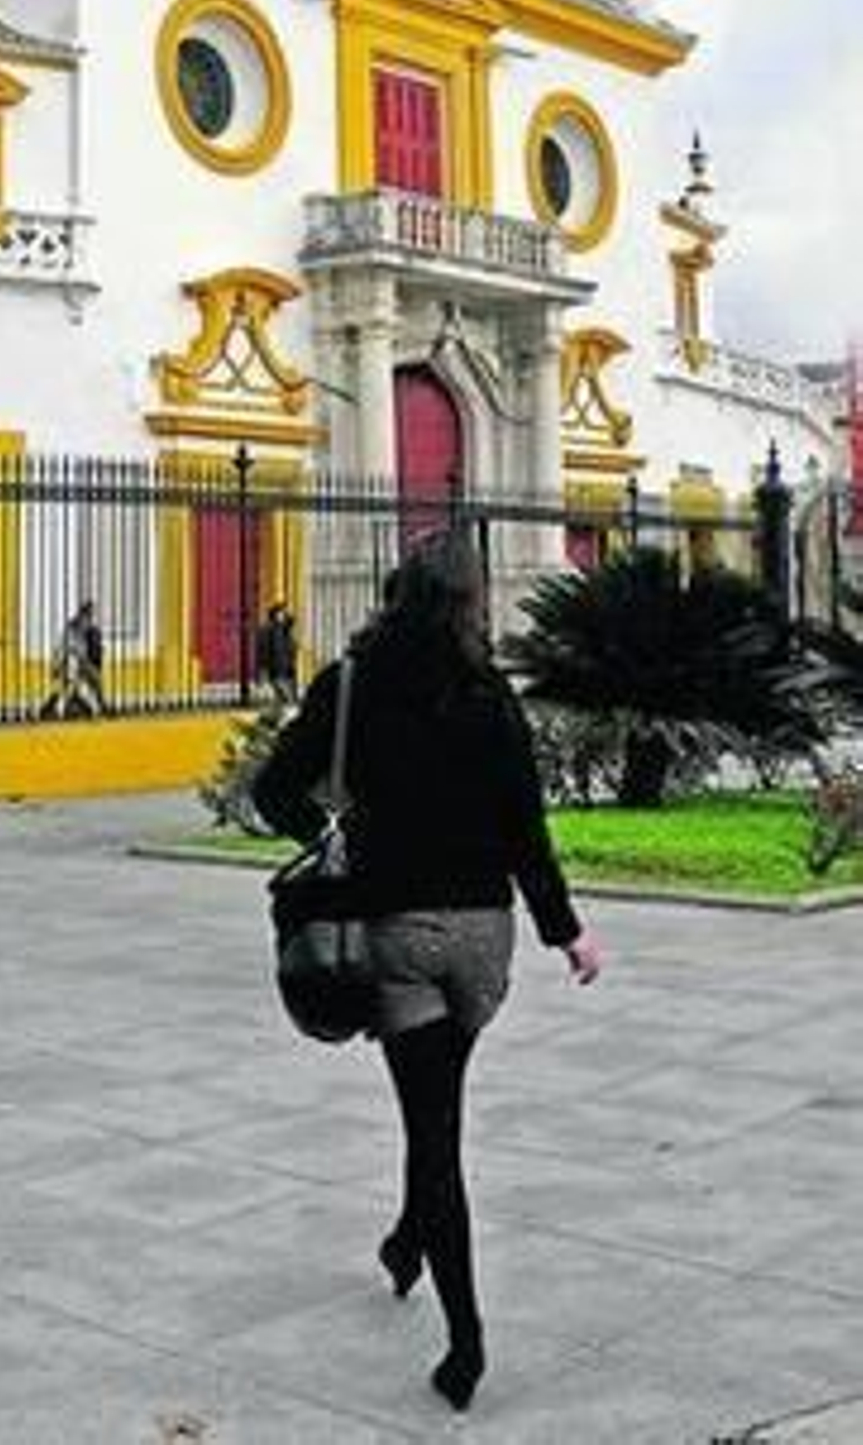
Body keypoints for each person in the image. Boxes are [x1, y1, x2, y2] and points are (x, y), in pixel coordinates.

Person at [252, 533, 601, 1415]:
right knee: (437, 1111)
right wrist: (568, 934)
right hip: (486, 941)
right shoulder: (489, 695)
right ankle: (409, 1243)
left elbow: (271, 793)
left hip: (399, 932)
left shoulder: (352, 687)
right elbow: (528, 830)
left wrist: (330, 836)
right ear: (469, 603)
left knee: (433, 1131)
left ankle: (465, 1340)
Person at [40, 599, 106, 718]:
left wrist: (93, 667)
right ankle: (62, 706)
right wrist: (57, 665)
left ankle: (98, 704)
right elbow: (61, 650)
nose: (89, 621)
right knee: (72, 668)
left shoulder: (91, 632)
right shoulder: (71, 629)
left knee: (92, 679)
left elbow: (90, 655)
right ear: (81, 615)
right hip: (69, 663)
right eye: (86, 616)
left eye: (90, 617)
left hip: (81, 665)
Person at [255, 600, 299, 704]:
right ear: (274, 614)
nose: (283, 615)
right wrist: (262, 668)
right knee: (283, 694)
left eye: (284, 613)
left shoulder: (286, 629)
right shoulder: (267, 630)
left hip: (288, 667)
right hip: (276, 667)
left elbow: (292, 620)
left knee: (288, 695)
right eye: (281, 613)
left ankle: (287, 704)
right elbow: (263, 650)